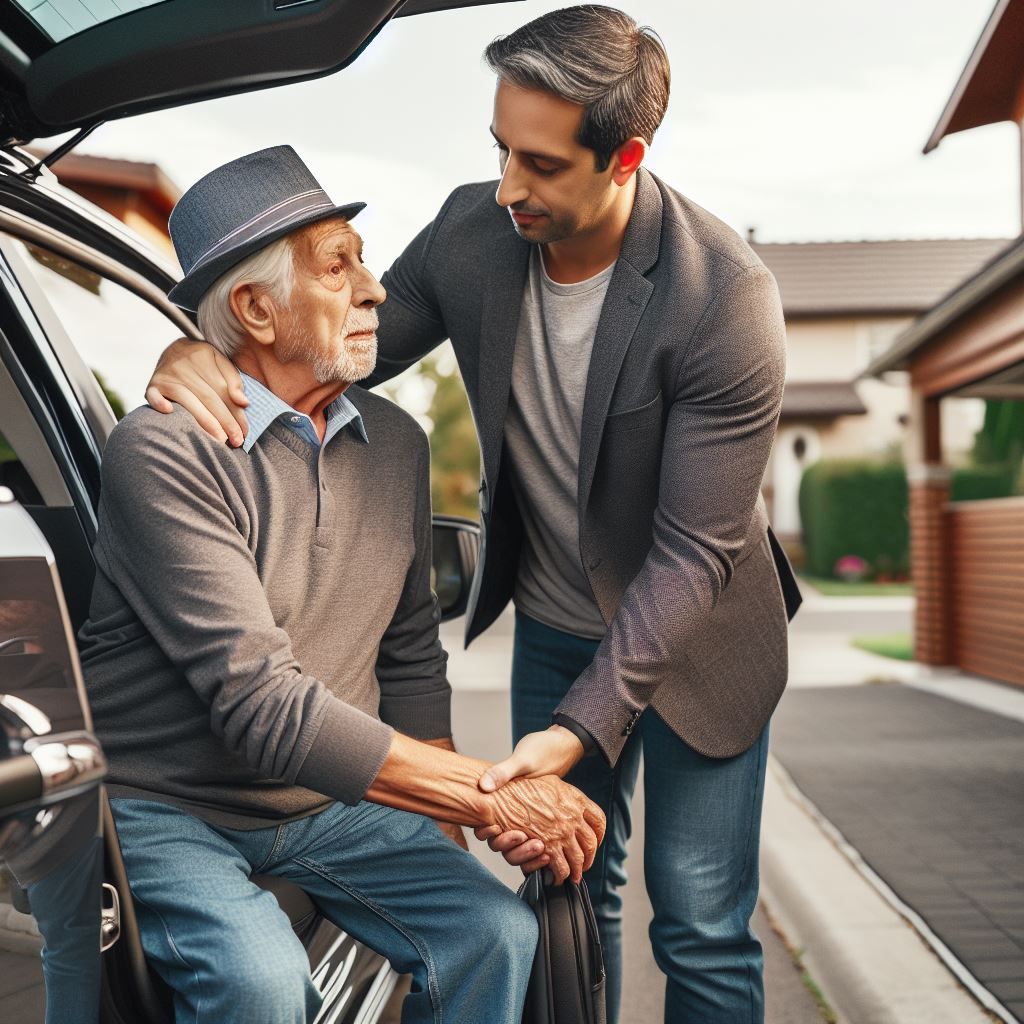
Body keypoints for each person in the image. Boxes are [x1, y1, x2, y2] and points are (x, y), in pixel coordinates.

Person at [146, 8, 804, 1022]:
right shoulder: (470, 234)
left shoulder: (723, 298)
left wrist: (582, 729)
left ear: (623, 156)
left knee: (701, 923)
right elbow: (324, 347)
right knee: (567, 896)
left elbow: (692, 553)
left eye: (538, 165)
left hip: (700, 641)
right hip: (554, 622)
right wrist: (198, 352)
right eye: (499, 148)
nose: (507, 188)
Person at [79, 145, 605, 1024]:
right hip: (165, 806)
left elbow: (404, 651)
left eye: (362, 258)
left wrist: (443, 829)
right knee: (260, 983)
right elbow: (261, 706)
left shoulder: (395, 442)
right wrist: (485, 793)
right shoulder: (166, 449)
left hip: (327, 805)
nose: (376, 289)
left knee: (493, 932)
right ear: (254, 308)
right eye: (339, 265)